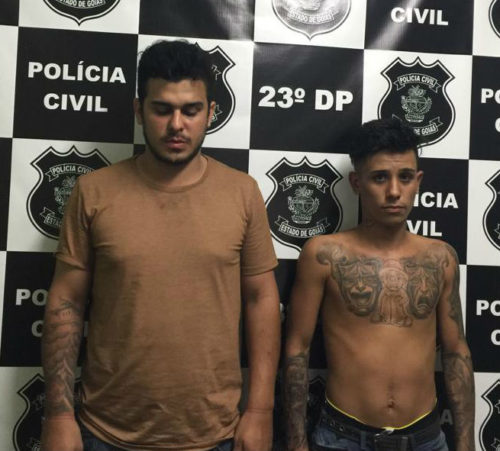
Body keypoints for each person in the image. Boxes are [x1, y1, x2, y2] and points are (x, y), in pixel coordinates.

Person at [40, 40, 280, 451]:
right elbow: (67, 301)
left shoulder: (242, 193)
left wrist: (260, 410)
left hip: (215, 434)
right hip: (106, 432)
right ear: (139, 110)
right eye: (162, 109)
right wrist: (59, 415)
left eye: (191, 110)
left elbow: (261, 299)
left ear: (211, 112)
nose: (176, 125)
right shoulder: (93, 192)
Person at [283, 118, 475, 451]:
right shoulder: (324, 255)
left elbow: (456, 351)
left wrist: (466, 443)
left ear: (418, 181)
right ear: (357, 183)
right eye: (380, 177)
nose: (394, 192)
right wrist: (296, 443)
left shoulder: (440, 258)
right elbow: (297, 349)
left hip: (425, 439)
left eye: (405, 177)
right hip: (342, 437)